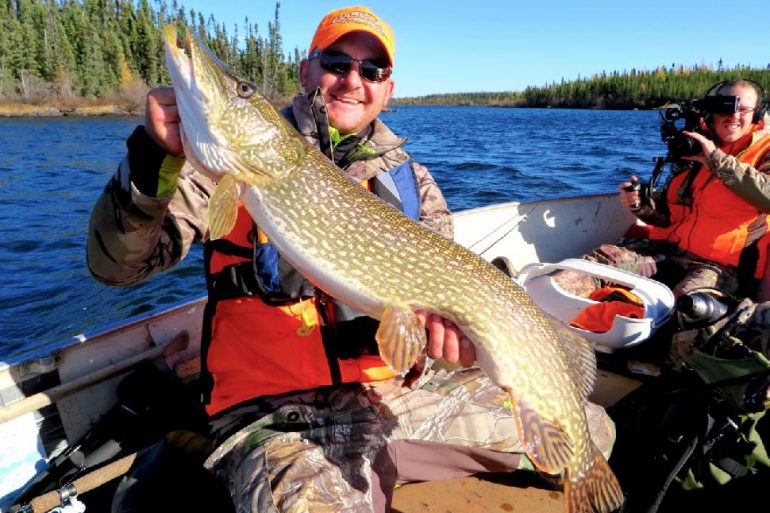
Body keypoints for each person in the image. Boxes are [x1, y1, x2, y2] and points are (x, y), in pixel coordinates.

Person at [88, 6, 614, 512]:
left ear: (388, 88)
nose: (352, 80)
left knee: (591, 431)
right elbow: (117, 267)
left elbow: (429, 327)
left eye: (372, 70)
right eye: (336, 63)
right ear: (306, 71)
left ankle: (419, 461)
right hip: (277, 411)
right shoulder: (219, 169)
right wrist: (153, 157)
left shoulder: (411, 182)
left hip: (391, 398)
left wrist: (451, 344)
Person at [557, 79, 770, 304]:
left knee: (691, 306)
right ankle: (544, 308)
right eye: (725, 107)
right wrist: (641, 205)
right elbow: (669, 216)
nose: (734, 116)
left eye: (744, 109)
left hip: (721, 267)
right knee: (598, 264)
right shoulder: (692, 147)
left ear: (757, 114)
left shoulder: (764, 150)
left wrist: (716, 161)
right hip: (669, 251)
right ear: (712, 111)